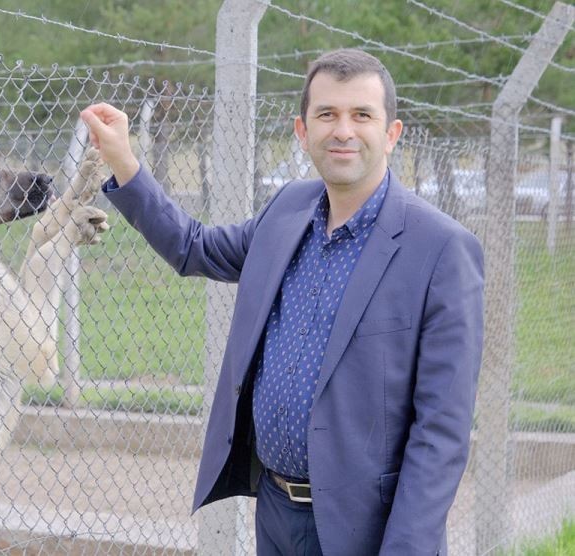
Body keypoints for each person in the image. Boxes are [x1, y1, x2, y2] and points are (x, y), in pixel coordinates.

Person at [80, 48, 484, 556]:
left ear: (391, 133)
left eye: (362, 115)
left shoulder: (442, 249)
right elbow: (195, 248)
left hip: (366, 530)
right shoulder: (288, 209)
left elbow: (441, 433)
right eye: (327, 114)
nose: (343, 130)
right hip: (274, 511)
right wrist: (124, 160)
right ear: (302, 130)